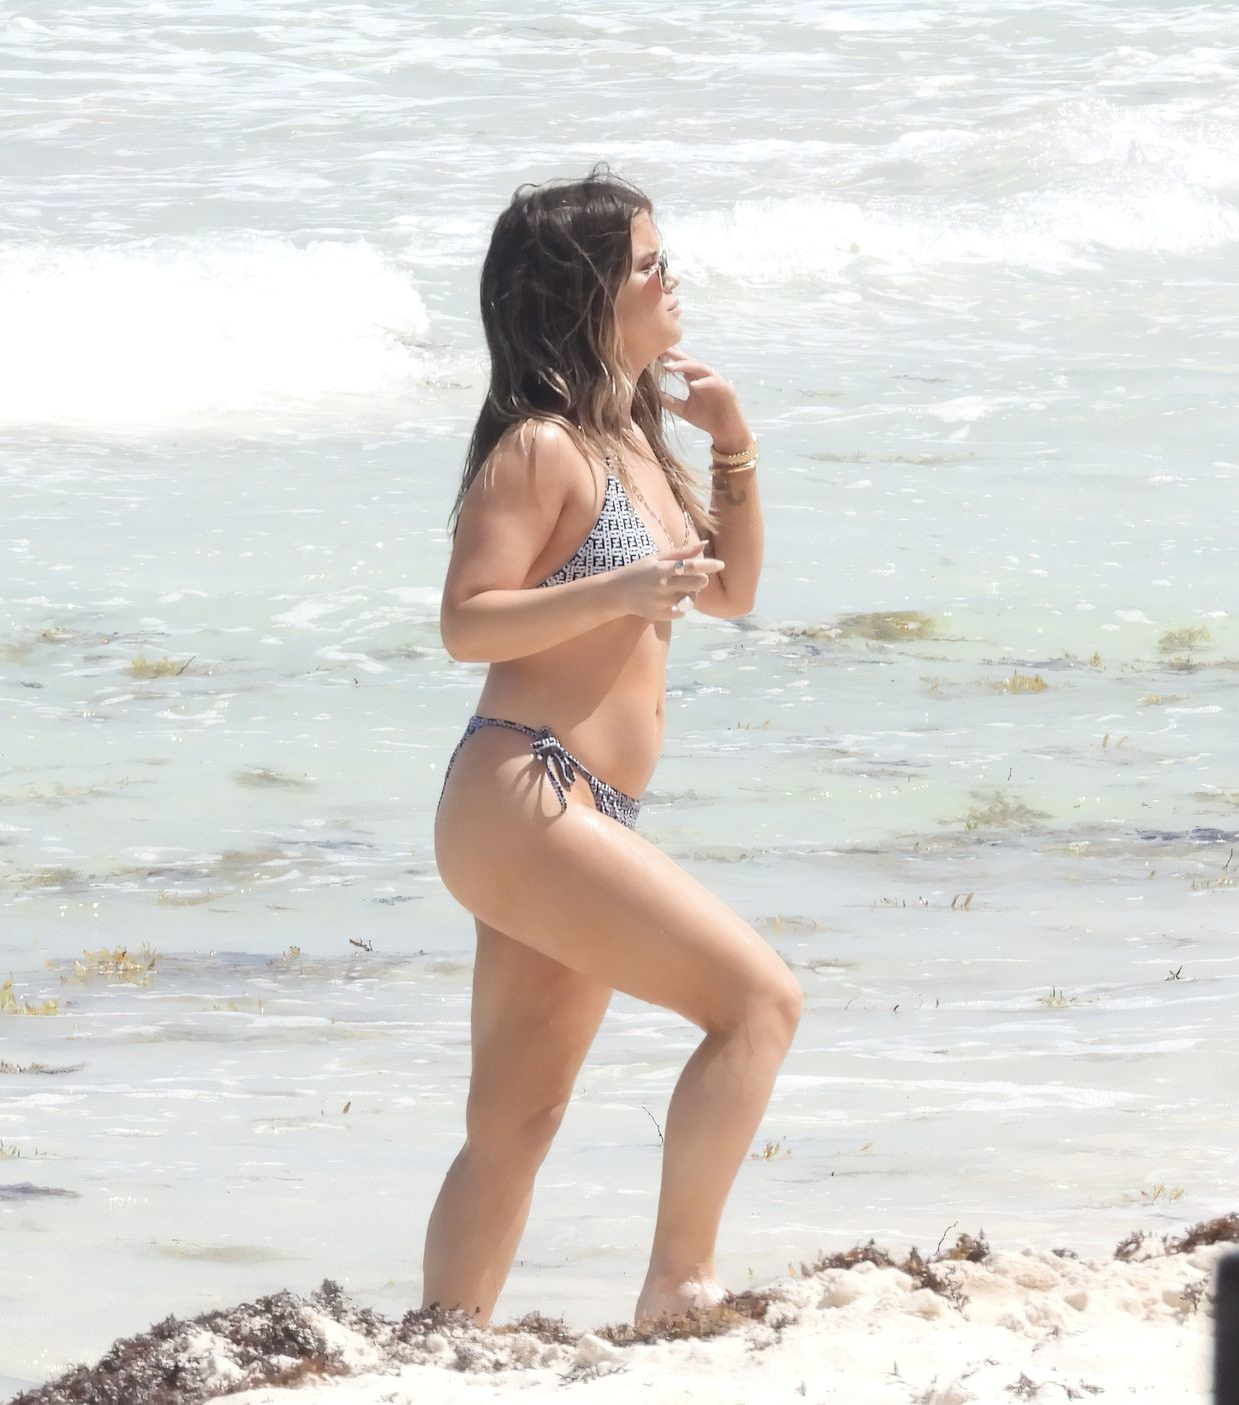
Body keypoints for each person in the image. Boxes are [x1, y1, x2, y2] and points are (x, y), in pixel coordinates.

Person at [425, 163, 803, 1332]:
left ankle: (443, 1345)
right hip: (525, 786)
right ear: (589, 295)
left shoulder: (633, 443)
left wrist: (733, 444)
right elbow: (465, 621)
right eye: (648, 264)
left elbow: (732, 591)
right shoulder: (541, 449)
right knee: (758, 1002)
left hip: (576, 806)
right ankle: (678, 1283)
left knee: (517, 1121)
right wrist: (617, 591)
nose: (670, 278)